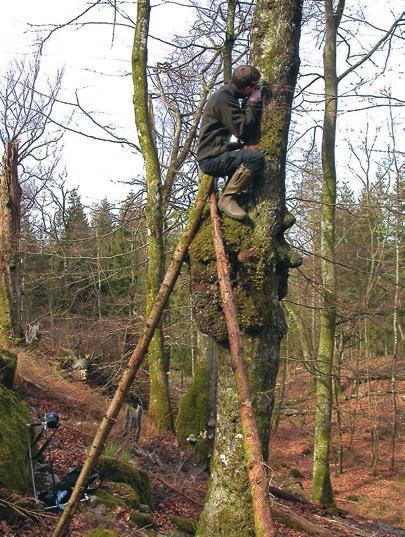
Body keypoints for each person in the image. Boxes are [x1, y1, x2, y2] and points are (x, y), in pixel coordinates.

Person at [197, 65, 264, 221]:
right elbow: (244, 131)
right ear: (248, 87)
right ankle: (227, 198)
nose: (255, 91)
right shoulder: (224, 99)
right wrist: (253, 102)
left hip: (216, 153)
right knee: (255, 158)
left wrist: (239, 147)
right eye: (254, 88)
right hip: (211, 160)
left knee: (248, 154)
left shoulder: (226, 95)